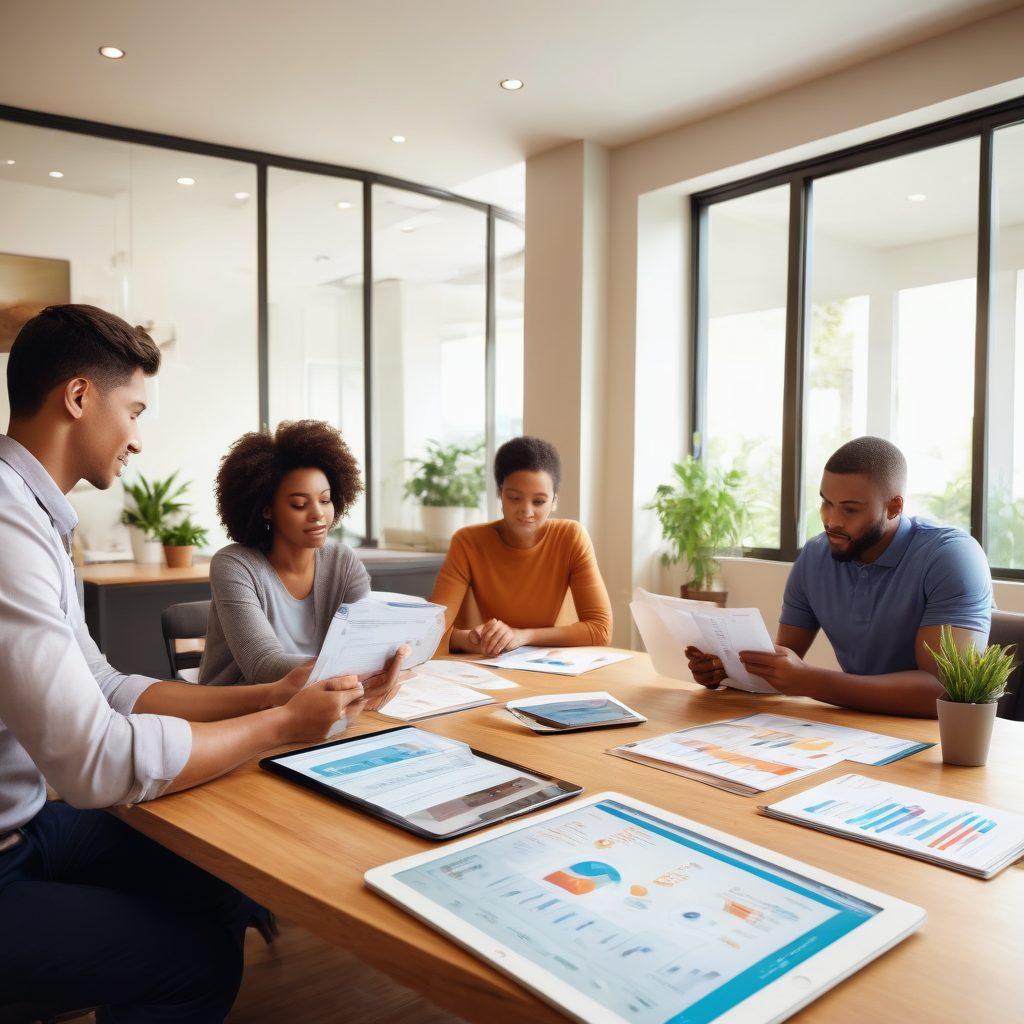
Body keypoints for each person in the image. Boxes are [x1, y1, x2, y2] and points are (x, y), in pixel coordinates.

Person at [0, 305, 405, 1022]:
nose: (137, 438)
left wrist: (273, 695)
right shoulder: (7, 528)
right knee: (197, 961)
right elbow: (94, 763)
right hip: (12, 852)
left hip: (27, 823)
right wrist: (280, 726)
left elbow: (104, 684)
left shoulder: (33, 514)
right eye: (134, 409)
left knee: (216, 877)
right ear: (78, 397)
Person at [685, 436, 992, 718]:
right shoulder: (815, 557)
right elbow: (783, 668)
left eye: (850, 510)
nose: (831, 521)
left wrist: (808, 680)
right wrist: (726, 672)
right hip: (853, 726)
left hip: (934, 740)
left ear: (894, 507)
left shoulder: (951, 557)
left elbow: (943, 692)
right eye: (826, 502)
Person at [200, 420, 375, 685]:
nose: (318, 513)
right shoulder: (234, 565)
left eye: (325, 500)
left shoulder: (343, 562)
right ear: (267, 509)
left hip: (322, 702)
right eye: (299, 504)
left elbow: (367, 643)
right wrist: (353, 668)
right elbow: (263, 665)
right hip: (238, 710)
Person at [430, 435, 612, 656]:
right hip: (494, 667)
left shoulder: (571, 537)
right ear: (500, 493)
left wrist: (523, 636)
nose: (526, 511)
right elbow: (430, 632)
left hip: (557, 667)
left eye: (539, 501)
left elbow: (601, 630)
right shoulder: (468, 542)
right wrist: (470, 639)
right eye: (515, 498)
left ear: (554, 501)